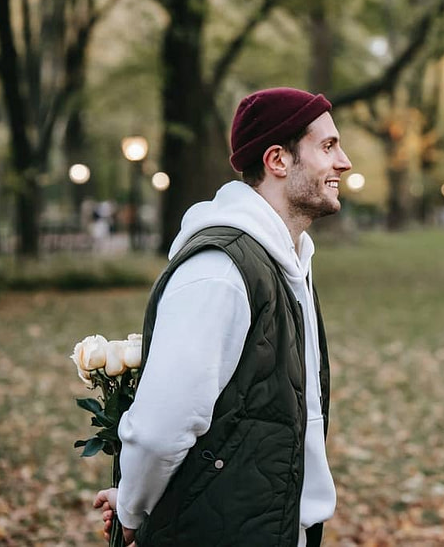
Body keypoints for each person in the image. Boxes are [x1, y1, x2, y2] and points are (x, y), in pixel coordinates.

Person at [94, 87, 352, 546]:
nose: (344, 162)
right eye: (328, 146)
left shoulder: (287, 261)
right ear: (278, 160)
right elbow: (160, 427)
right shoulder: (219, 270)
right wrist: (134, 507)